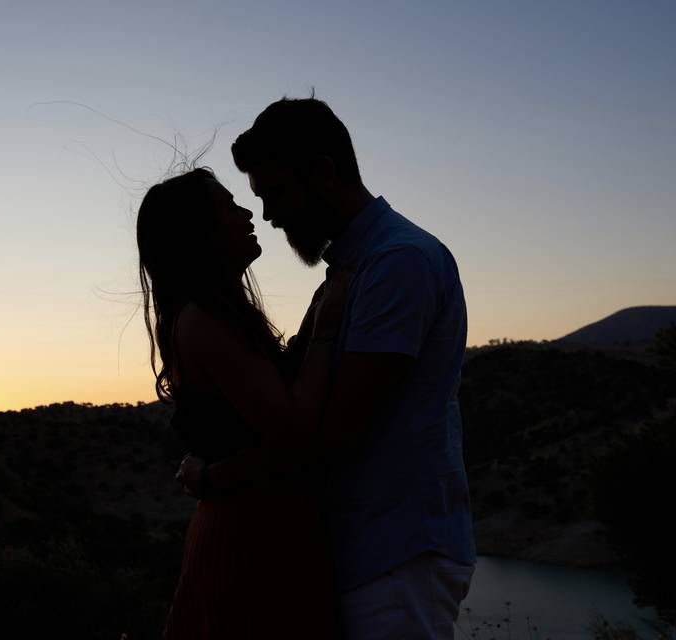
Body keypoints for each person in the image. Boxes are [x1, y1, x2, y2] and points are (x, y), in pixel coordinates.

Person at [176, 97, 476, 639]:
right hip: (363, 549)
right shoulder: (353, 269)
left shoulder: (396, 263)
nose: (268, 216)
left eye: (275, 195)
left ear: (322, 172)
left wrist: (214, 476)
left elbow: (335, 430)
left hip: (396, 553)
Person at [136, 167, 347, 639]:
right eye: (229, 206)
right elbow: (296, 428)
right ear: (200, 233)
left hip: (266, 535)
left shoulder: (215, 317)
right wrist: (327, 330)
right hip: (253, 543)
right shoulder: (203, 322)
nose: (249, 212)